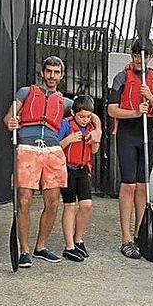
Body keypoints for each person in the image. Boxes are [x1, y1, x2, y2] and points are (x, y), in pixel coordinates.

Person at [4, 56, 102, 267]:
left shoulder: (66, 102)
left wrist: (99, 131)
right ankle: (24, 250)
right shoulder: (25, 92)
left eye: (56, 72)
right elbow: (8, 118)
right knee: (24, 200)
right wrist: (11, 122)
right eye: (49, 71)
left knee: (53, 202)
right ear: (42, 72)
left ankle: (41, 246)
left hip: (52, 151)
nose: (52, 76)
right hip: (28, 148)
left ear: (61, 75)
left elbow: (91, 115)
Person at [107, 39, 153, 259]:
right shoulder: (121, 77)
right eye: (135, 56)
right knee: (129, 185)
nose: (139, 61)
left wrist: (149, 97)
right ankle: (126, 238)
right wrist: (135, 112)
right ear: (131, 56)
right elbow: (112, 110)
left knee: (143, 186)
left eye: (143, 57)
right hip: (127, 134)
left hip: (147, 135)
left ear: (150, 57)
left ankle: (141, 233)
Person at [57, 95, 101, 261]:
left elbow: (95, 151)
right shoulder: (66, 124)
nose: (84, 120)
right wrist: (69, 139)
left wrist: (95, 140)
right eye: (81, 116)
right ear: (74, 113)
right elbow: (56, 146)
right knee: (70, 206)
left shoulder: (91, 127)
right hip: (67, 169)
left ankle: (78, 239)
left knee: (86, 205)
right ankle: (69, 246)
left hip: (82, 169)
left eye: (88, 117)